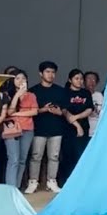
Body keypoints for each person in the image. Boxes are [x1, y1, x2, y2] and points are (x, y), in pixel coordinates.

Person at [26, 60, 68, 194]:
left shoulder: (60, 91)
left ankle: (52, 181)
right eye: (47, 72)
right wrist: (42, 110)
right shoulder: (33, 91)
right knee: (36, 156)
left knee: (54, 156)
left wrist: (59, 112)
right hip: (38, 129)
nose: (51, 75)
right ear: (41, 73)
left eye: (53, 72)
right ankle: (33, 182)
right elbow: (29, 111)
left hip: (56, 128)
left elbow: (65, 110)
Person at [1, 71, 37, 190]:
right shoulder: (7, 94)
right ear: (13, 81)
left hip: (27, 129)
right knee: (14, 159)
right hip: (12, 130)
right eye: (17, 78)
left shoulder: (31, 95)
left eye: (23, 78)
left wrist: (17, 114)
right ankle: (10, 188)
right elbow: (9, 112)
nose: (21, 81)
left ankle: (16, 188)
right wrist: (17, 95)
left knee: (22, 160)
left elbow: (34, 111)